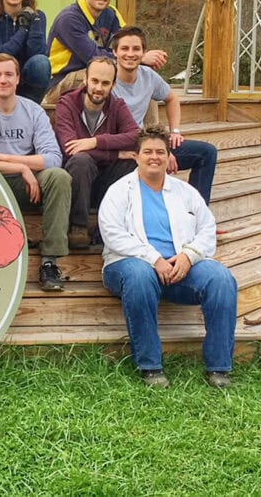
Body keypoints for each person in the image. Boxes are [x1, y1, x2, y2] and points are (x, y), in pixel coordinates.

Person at [99, 126, 237, 388]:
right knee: (140, 276)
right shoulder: (119, 191)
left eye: (160, 152)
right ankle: (151, 366)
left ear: (168, 156)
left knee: (221, 278)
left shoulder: (185, 192)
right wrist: (154, 259)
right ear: (136, 156)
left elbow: (207, 229)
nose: (154, 157)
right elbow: (113, 235)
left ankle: (219, 368)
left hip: (178, 267)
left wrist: (189, 256)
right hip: (128, 265)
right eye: (147, 151)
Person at [0, 53, 72, 291]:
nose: (3, 80)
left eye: (9, 74)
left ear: (18, 78)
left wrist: (6, 158)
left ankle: (50, 262)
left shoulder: (33, 111)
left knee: (59, 178)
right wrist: (20, 167)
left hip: (26, 188)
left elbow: (53, 158)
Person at [111, 26, 218, 203]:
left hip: (146, 142)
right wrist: (160, 151)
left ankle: (197, 214)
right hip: (123, 149)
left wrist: (175, 131)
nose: (130, 54)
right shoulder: (109, 80)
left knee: (206, 153)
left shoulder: (149, 76)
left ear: (144, 53)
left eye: (136, 49)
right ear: (115, 52)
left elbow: (172, 98)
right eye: (124, 48)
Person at [54, 57, 139, 249]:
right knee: (81, 160)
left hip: (105, 180)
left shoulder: (117, 106)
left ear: (113, 85)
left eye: (105, 83)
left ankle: (108, 226)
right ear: (85, 79)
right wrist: (115, 154)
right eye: (95, 81)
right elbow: (70, 148)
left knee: (132, 162)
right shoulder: (67, 104)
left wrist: (95, 141)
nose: (99, 88)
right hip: (77, 182)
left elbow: (135, 136)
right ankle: (78, 227)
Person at [46, 0, 167, 99]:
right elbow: (93, 57)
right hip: (60, 82)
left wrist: (142, 58)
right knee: (103, 75)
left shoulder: (112, 14)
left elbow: (128, 42)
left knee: (144, 76)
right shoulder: (69, 19)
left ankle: (144, 120)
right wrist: (140, 58)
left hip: (98, 72)